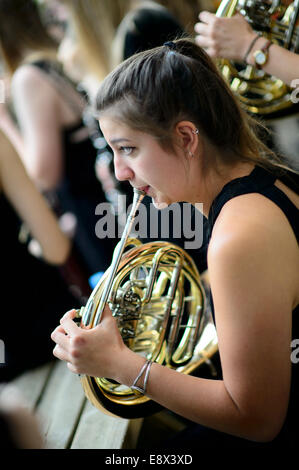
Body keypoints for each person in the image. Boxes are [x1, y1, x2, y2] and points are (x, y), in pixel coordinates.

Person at [51, 39, 299, 449]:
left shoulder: (238, 235)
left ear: (186, 138)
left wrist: (118, 362)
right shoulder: (260, 178)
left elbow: (256, 418)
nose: (120, 171)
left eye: (127, 148)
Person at [0, 0, 115, 277]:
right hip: (108, 209)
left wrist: (5, 124)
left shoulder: (29, 78)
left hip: (94, 221)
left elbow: (42, 175)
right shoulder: (57, 60)